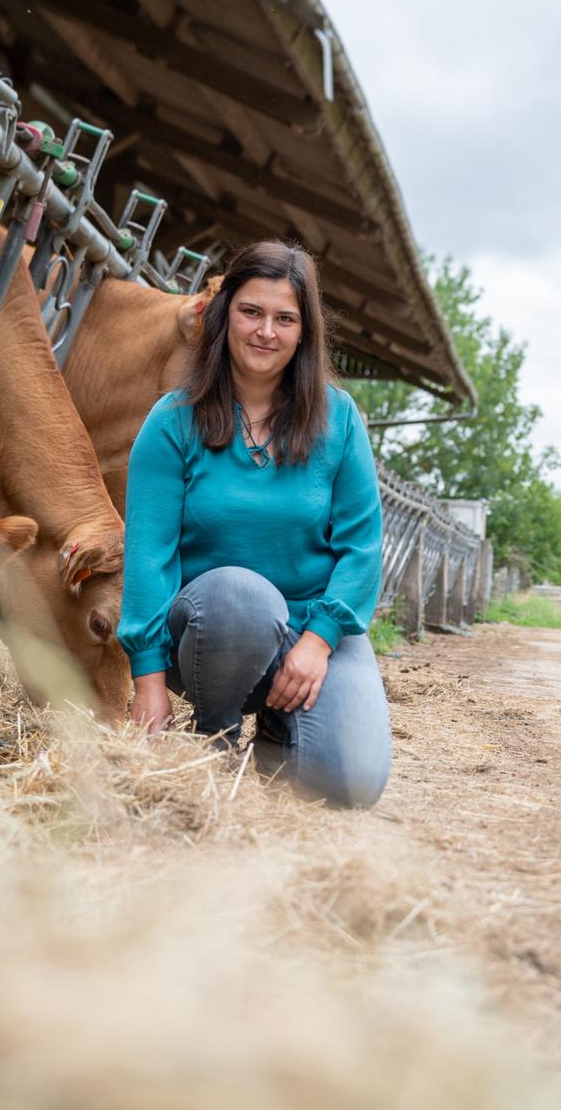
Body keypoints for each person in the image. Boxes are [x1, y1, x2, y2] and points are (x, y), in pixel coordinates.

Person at [117, 240, 391, 808]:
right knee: (242, 595)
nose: (266, 331)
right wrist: (148, 682)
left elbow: (362, 549)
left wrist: (319, 641)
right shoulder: (173, 421)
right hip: (212, 631)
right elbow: (148, 556)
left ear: (304, 332)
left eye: (285, 318)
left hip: (313, 629)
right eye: (251, 312)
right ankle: (214, 737)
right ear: (225, 316)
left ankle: (276, 726)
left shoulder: (339, 419)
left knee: (352, 783)